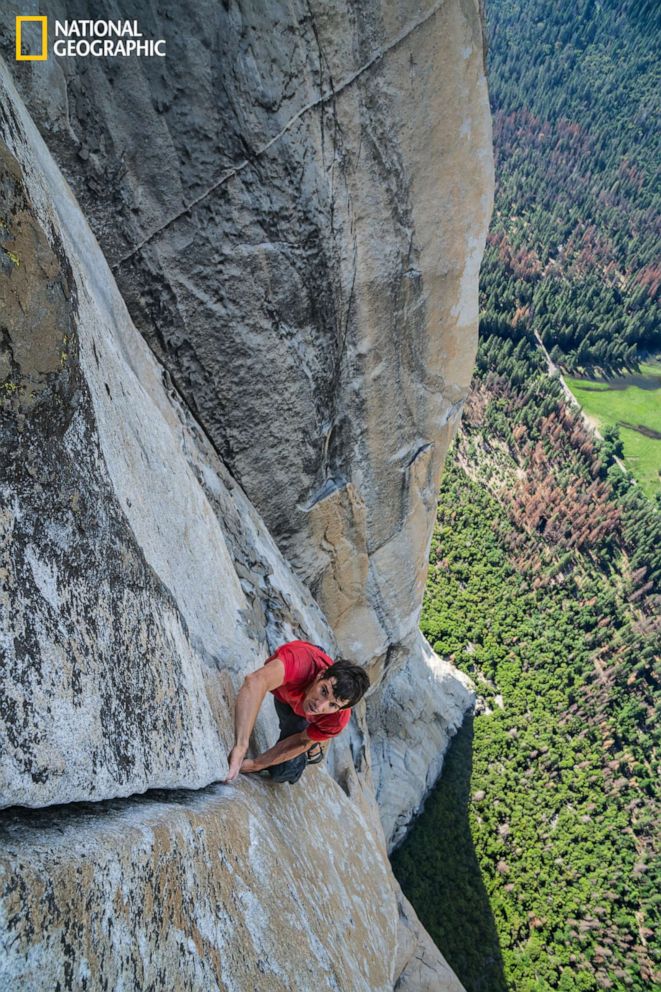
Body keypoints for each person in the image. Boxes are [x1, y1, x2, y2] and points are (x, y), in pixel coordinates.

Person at [224, 639, 370, 784]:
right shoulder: (300, 663)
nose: (320, 705)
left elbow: (301, 740)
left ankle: (313, 749)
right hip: (294, 686)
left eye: (333, 705)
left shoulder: (337, 719)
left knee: (281, 770)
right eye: (324, 691)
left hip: (306, 716)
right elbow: (255, 681)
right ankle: (318, 654)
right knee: (292, 708)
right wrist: (241, 746)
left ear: (341, 708)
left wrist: (256, 764)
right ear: (320, 675)